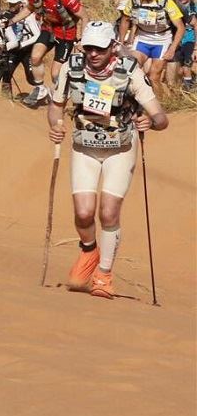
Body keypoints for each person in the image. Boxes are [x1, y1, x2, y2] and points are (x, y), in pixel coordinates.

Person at [47, 20, 168, 299]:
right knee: (84, 212)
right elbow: (56, 106)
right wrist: (55, 124)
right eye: (89, 47)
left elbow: (161, 117)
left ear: (113, 47)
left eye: (99, 48)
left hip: (121, 148)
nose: (93, 54)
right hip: (84, 146)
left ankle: (103, 274)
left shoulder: (130, 73)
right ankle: (89, 250)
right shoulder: (72, 68)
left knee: (109, 212)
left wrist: (151, 121)